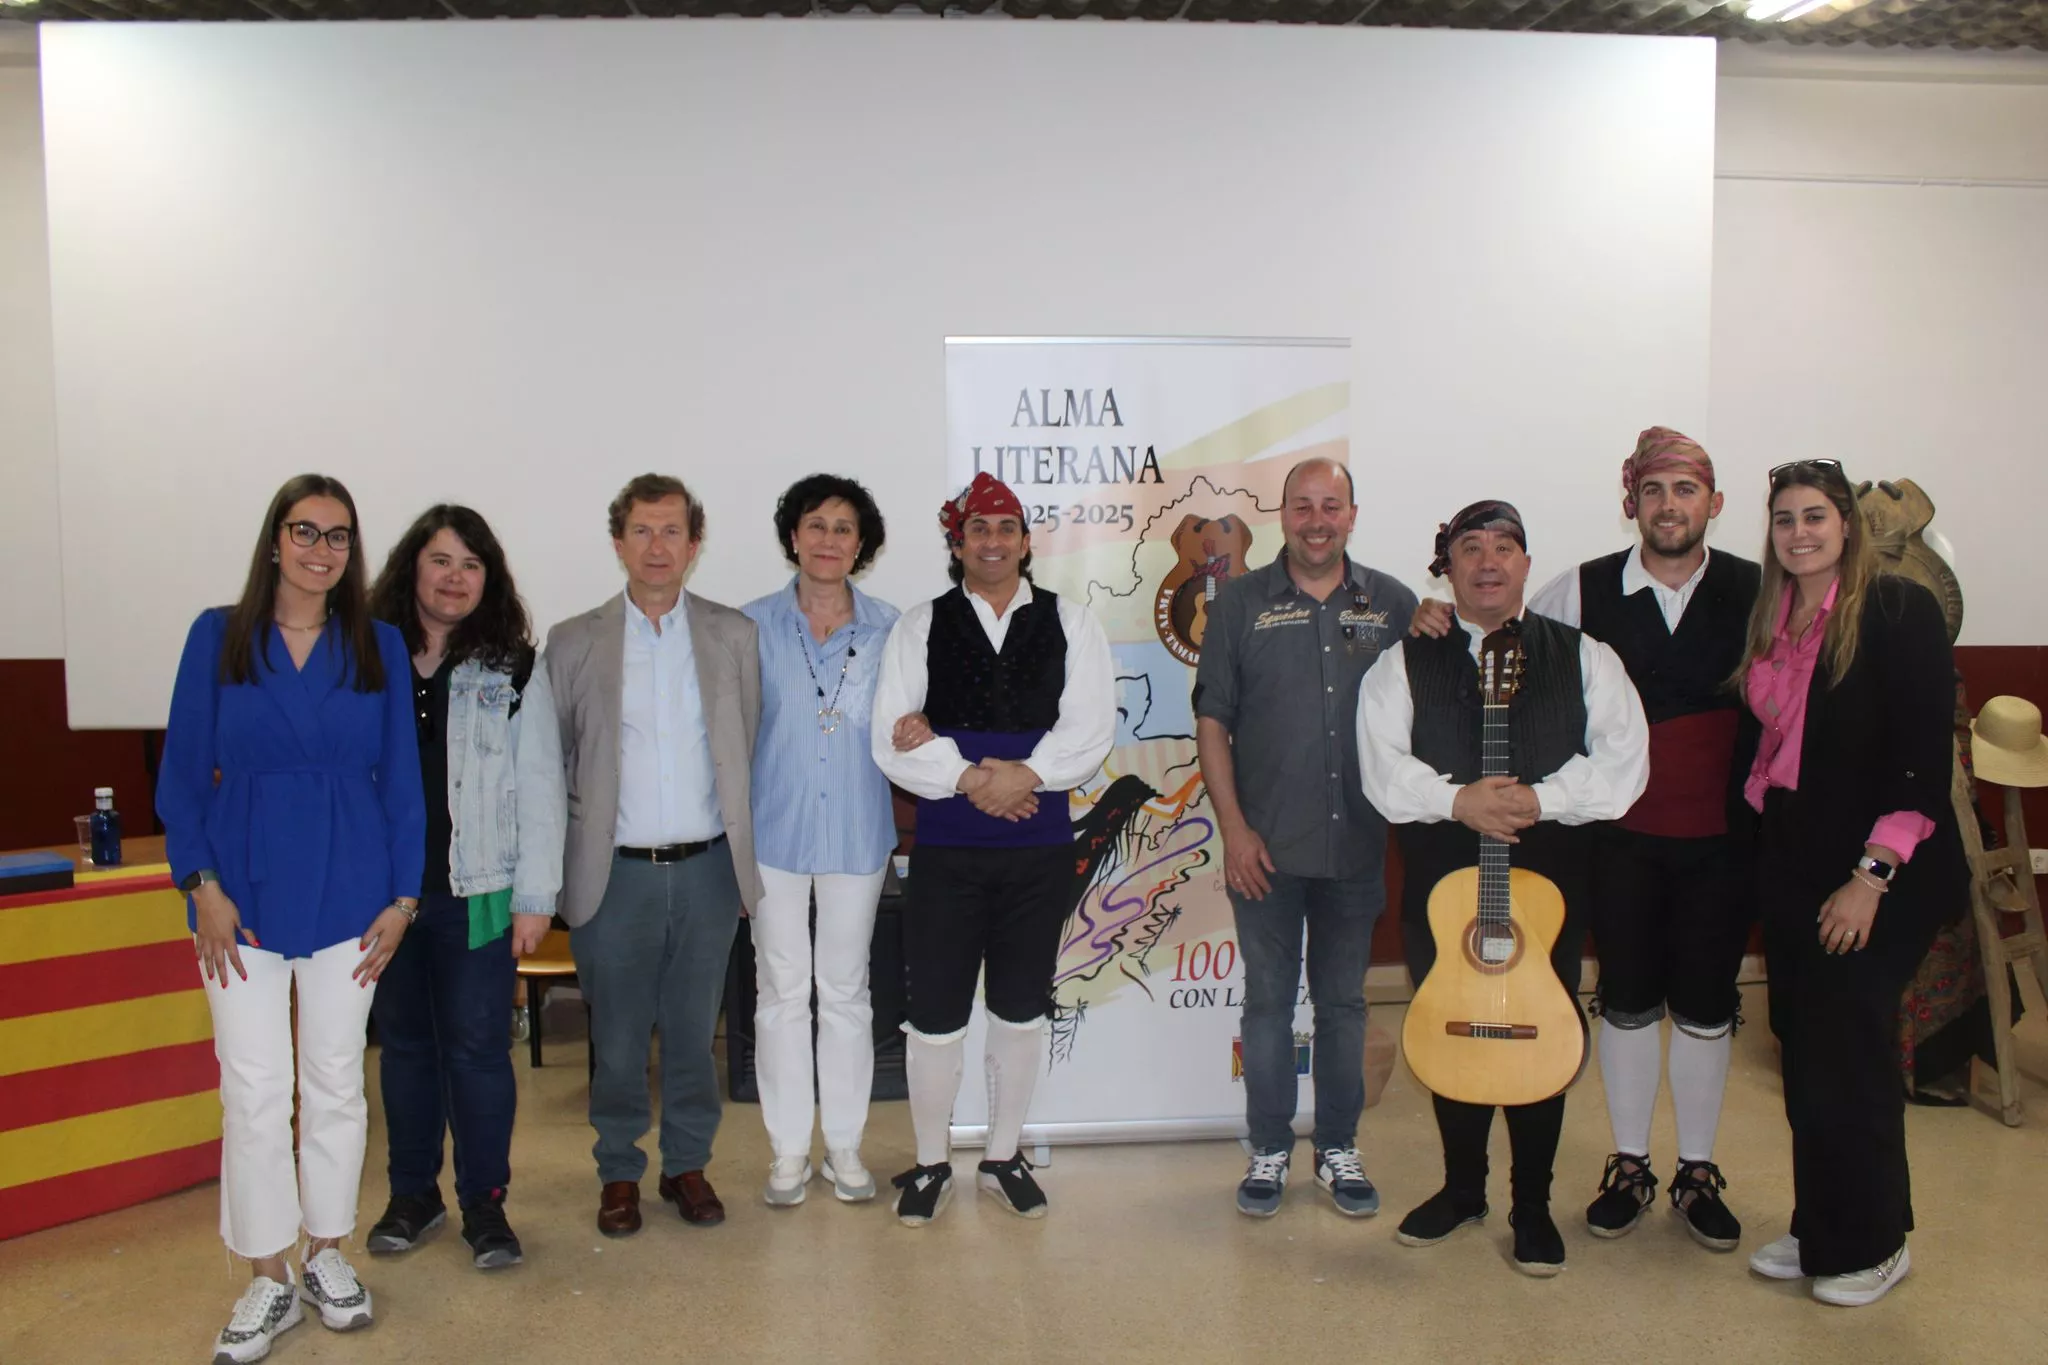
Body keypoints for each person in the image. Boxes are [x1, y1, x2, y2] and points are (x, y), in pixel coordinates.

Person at [1415, 429, 1760, 1248]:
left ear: (1713, 502)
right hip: (1618, 841)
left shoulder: (1758, 588)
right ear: (1630, 501)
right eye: (1653, 491)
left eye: (1685, 490)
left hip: (1725, 837)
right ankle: (1631, 1164)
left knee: (1709, 1006)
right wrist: (1430, 613)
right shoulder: (1582, 589)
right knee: (1629, 1001)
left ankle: (1699, 1168)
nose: (1668, 506)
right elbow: (1508, 632)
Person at [158, 474, 425, 1363]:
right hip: (240, 899)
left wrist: (402, 898)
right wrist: (200, 883)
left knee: (338, 1082)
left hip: (353, 894)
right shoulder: (217, 636)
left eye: (339, 535)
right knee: (256, 1089)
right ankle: (268, 1274)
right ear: (275, 540)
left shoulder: (378, 644)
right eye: (304, 530)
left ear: (353, 550)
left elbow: (403, 785)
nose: (321, 548)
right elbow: (183, 776)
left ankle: (327, 1252)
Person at [1359, 499, 1647, 1277]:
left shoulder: (1588, 656)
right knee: (1449, 1019)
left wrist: (1540, 799)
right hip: (1442, 872)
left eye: (1505, 547)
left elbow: (1623, 764)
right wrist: (1458, 799)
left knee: (1540, 1028)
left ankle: (1531, 1202)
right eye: (1471, 548)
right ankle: (1461, 1188)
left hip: (1549, 873)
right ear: (1446, 566)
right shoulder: (1404, 659)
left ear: (1526, 563)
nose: (1488, 561)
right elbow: (1382, 765)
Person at [1734, 459, 1966, 1307]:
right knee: (1806, 1050)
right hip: (1795, 856)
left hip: (1879, 868)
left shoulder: (1898, 612)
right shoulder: (1779, 612)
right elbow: (1780, 738)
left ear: (1847, 524)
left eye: (1816, 516)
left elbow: (1919, 768)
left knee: (1854, 1052)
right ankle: (1822, 1220)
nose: (1799, 532)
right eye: (1785, 518)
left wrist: (1868, 880)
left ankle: (1875, 1240)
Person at [870, 472, 1116, 1226]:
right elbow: (889, 736)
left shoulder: (1074, 622)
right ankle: (931, 1161)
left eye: (1007, 528)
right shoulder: (919, 624)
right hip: (948, 850)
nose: (993, 541)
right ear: (957, 541)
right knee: (936, 1011)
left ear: (1025, 541)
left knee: (1018, 1004)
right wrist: (976, 776)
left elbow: (1090, 731)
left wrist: (1028, 775)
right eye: (979, 528)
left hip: (1038, 849)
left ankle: (1003, 1154)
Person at [519, 474, 761, 1237]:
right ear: (619, 541)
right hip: (611, 873)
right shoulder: (572, 640)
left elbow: (748, 744)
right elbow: (547, 762)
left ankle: (686, 1163)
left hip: (707, 871)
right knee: (617, 1039)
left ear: (696, 545)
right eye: (642, 531)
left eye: (673, 532)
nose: (658, 547)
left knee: (695, 1032)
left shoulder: (732, 635)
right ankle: (618, 1170)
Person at [1190, 457, 1417, 1218]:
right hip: (1266, 851)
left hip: (1356, 845)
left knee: (1345, 1006)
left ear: (1353, 513)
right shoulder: (1240, 604)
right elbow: (1213, 723)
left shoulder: (1391, 603)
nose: (1316, 519)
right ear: (1280, 513)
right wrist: (1235, 831)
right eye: (1302, 505)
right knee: (1266, 1004)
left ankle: (1339, 1147)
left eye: (1331, 505)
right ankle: (1267, 1148)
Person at [362, 505, 558, 1270]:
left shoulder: (511, 667)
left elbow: (540, 784)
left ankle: (485, 1202)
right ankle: (413, 1195)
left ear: (490, 579)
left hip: (478, 891)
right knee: (404, 1047)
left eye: (471, 564)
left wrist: (536, 895)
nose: (454, 577)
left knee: (478, 1051)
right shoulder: (365, 661)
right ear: (412, 567)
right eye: (440, 560)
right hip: (385, 898)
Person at [741, 475, 900, 1207]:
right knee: (779, 990)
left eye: (843, 527)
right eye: (815, 525)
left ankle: (842, 1144)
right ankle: (786, 1149)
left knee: (845, 991)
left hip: (858, 832)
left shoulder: (894, 629)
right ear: (793, 537)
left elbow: (912, 719)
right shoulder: (749, 627)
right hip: (772, 830)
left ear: (860, 543)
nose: (829, 539)